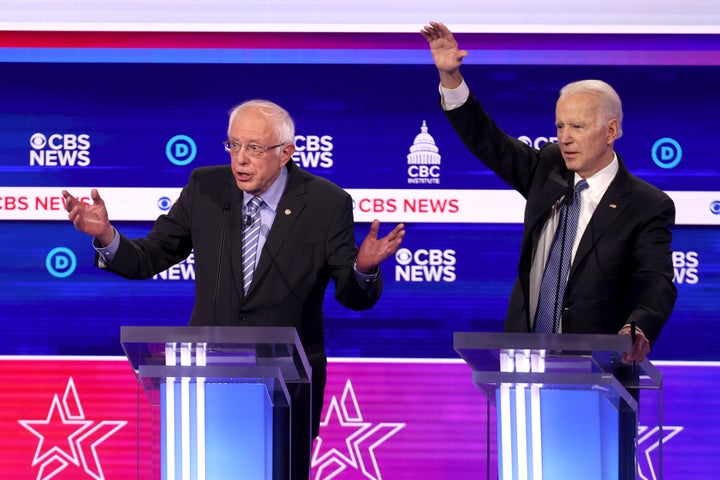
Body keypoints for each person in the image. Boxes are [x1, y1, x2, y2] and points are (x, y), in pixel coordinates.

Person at [62, 99, 405, 480]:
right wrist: (108, 237)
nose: (240, 159)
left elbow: (352, 295)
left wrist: (363, 267)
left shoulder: (326, 203)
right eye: (233, 145)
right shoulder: (206, 188)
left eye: (254, 148)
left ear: (285, 152)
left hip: (287, 388)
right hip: (208, 378)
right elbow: (151, 256)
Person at [421, 21, 677, 476]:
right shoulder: (547, 171)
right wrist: (452, 81)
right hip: (523, 369)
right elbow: (489, 143)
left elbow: (657, 281)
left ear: (611, 130)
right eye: (559, 125)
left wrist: (637, 328)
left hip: (599, 380)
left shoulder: (645, 204)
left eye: (577, 126)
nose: (564, 136)